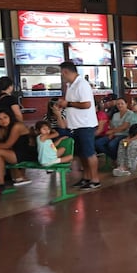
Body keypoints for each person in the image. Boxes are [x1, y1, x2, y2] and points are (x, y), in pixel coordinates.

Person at [57, 61, 101, 190]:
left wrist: (68, 104)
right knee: (81, 153)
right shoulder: (70, 85)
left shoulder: (82, 84)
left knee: (89, 153)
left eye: (62, 73)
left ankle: (95, 179)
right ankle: (86, 177)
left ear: (66, 71)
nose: (62, 76)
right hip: (75, 125)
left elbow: (86, 104)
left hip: (85, 124)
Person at [0, 108, 36, 187]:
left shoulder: (17, 126)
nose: (3, 121)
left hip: (25, 153)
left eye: (5, 117)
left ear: (10, 117)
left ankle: (0, 180)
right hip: (12, 153)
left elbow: (8, 145)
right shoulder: (1, 130)